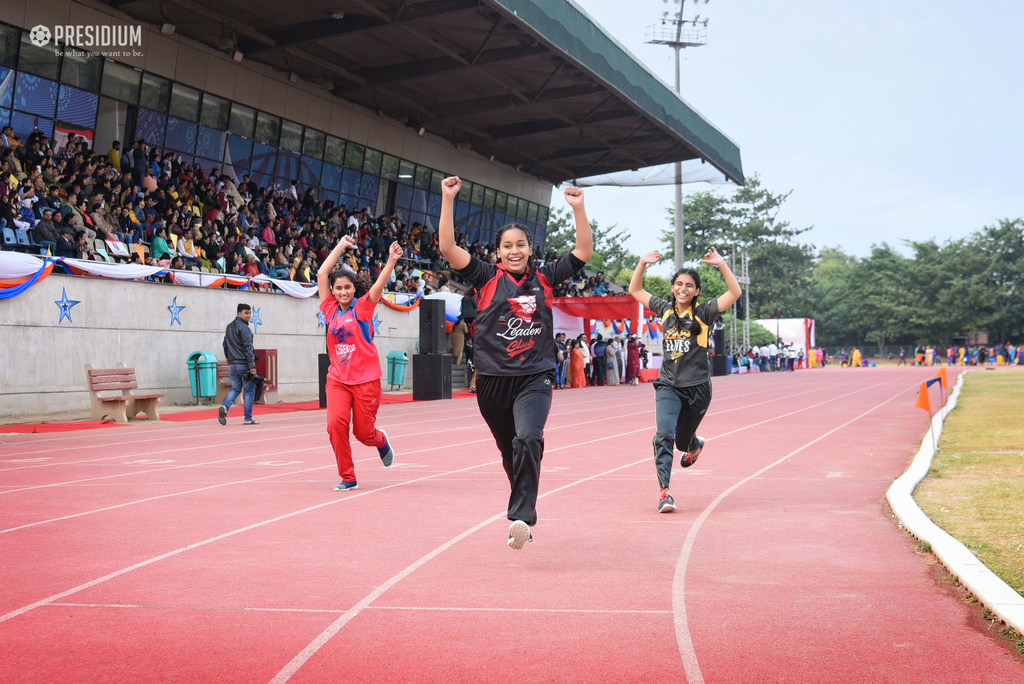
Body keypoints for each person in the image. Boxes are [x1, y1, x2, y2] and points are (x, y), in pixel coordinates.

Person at [439, 176, 593, 550]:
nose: (514, 250)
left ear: (529, 248)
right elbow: (447, 246)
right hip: (491, 380)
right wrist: (447, 200)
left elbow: (584, 252)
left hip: (534, 377)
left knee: (529, 438)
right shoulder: (485, 277)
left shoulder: (546, 277)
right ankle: (527, 505)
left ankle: (520, 516)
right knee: (510, 449)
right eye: (507, 246)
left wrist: (578, 209)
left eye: (520, 244)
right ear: (498, 252)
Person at [628, 247, 741, 513]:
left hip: (698, 388)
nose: (683, 288)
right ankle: (665, 493)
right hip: (668, 385)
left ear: (697, 291)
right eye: (679, 284)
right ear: (673, 287)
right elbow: (635, 291)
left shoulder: (704, 313)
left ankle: (694, 445)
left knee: (681, 442)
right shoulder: (664, 309)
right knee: (663, 435)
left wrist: (722, 265)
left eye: (689, 285)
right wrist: (642, 263)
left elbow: (735, 293)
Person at [317, 234, 403, 492]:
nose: (343, 292)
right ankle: (348, 476)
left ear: (354, 290)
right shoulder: (330, 309)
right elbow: (322, 273)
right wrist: (341, 246)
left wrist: (391, 261)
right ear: (333, 291)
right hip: (338, 380)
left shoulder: (362, 309)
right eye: (338, 288)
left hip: (366, 381)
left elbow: (377, 288)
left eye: (347, 288)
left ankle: (380, 440)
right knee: (335, 425)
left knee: (363, 434)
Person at [218, 303, 259, 426]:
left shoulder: (229, 327)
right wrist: (252, 366)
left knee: (235, 388)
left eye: (250, 313)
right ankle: (247, 418)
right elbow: (248, 348)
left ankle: (225, 407)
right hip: (244, 364)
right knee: (249, 391)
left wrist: (228, 357)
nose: (249, 316)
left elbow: (225, 343)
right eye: (246, 313)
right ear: (239, 313)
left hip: (233, 365)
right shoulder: (245, 328)